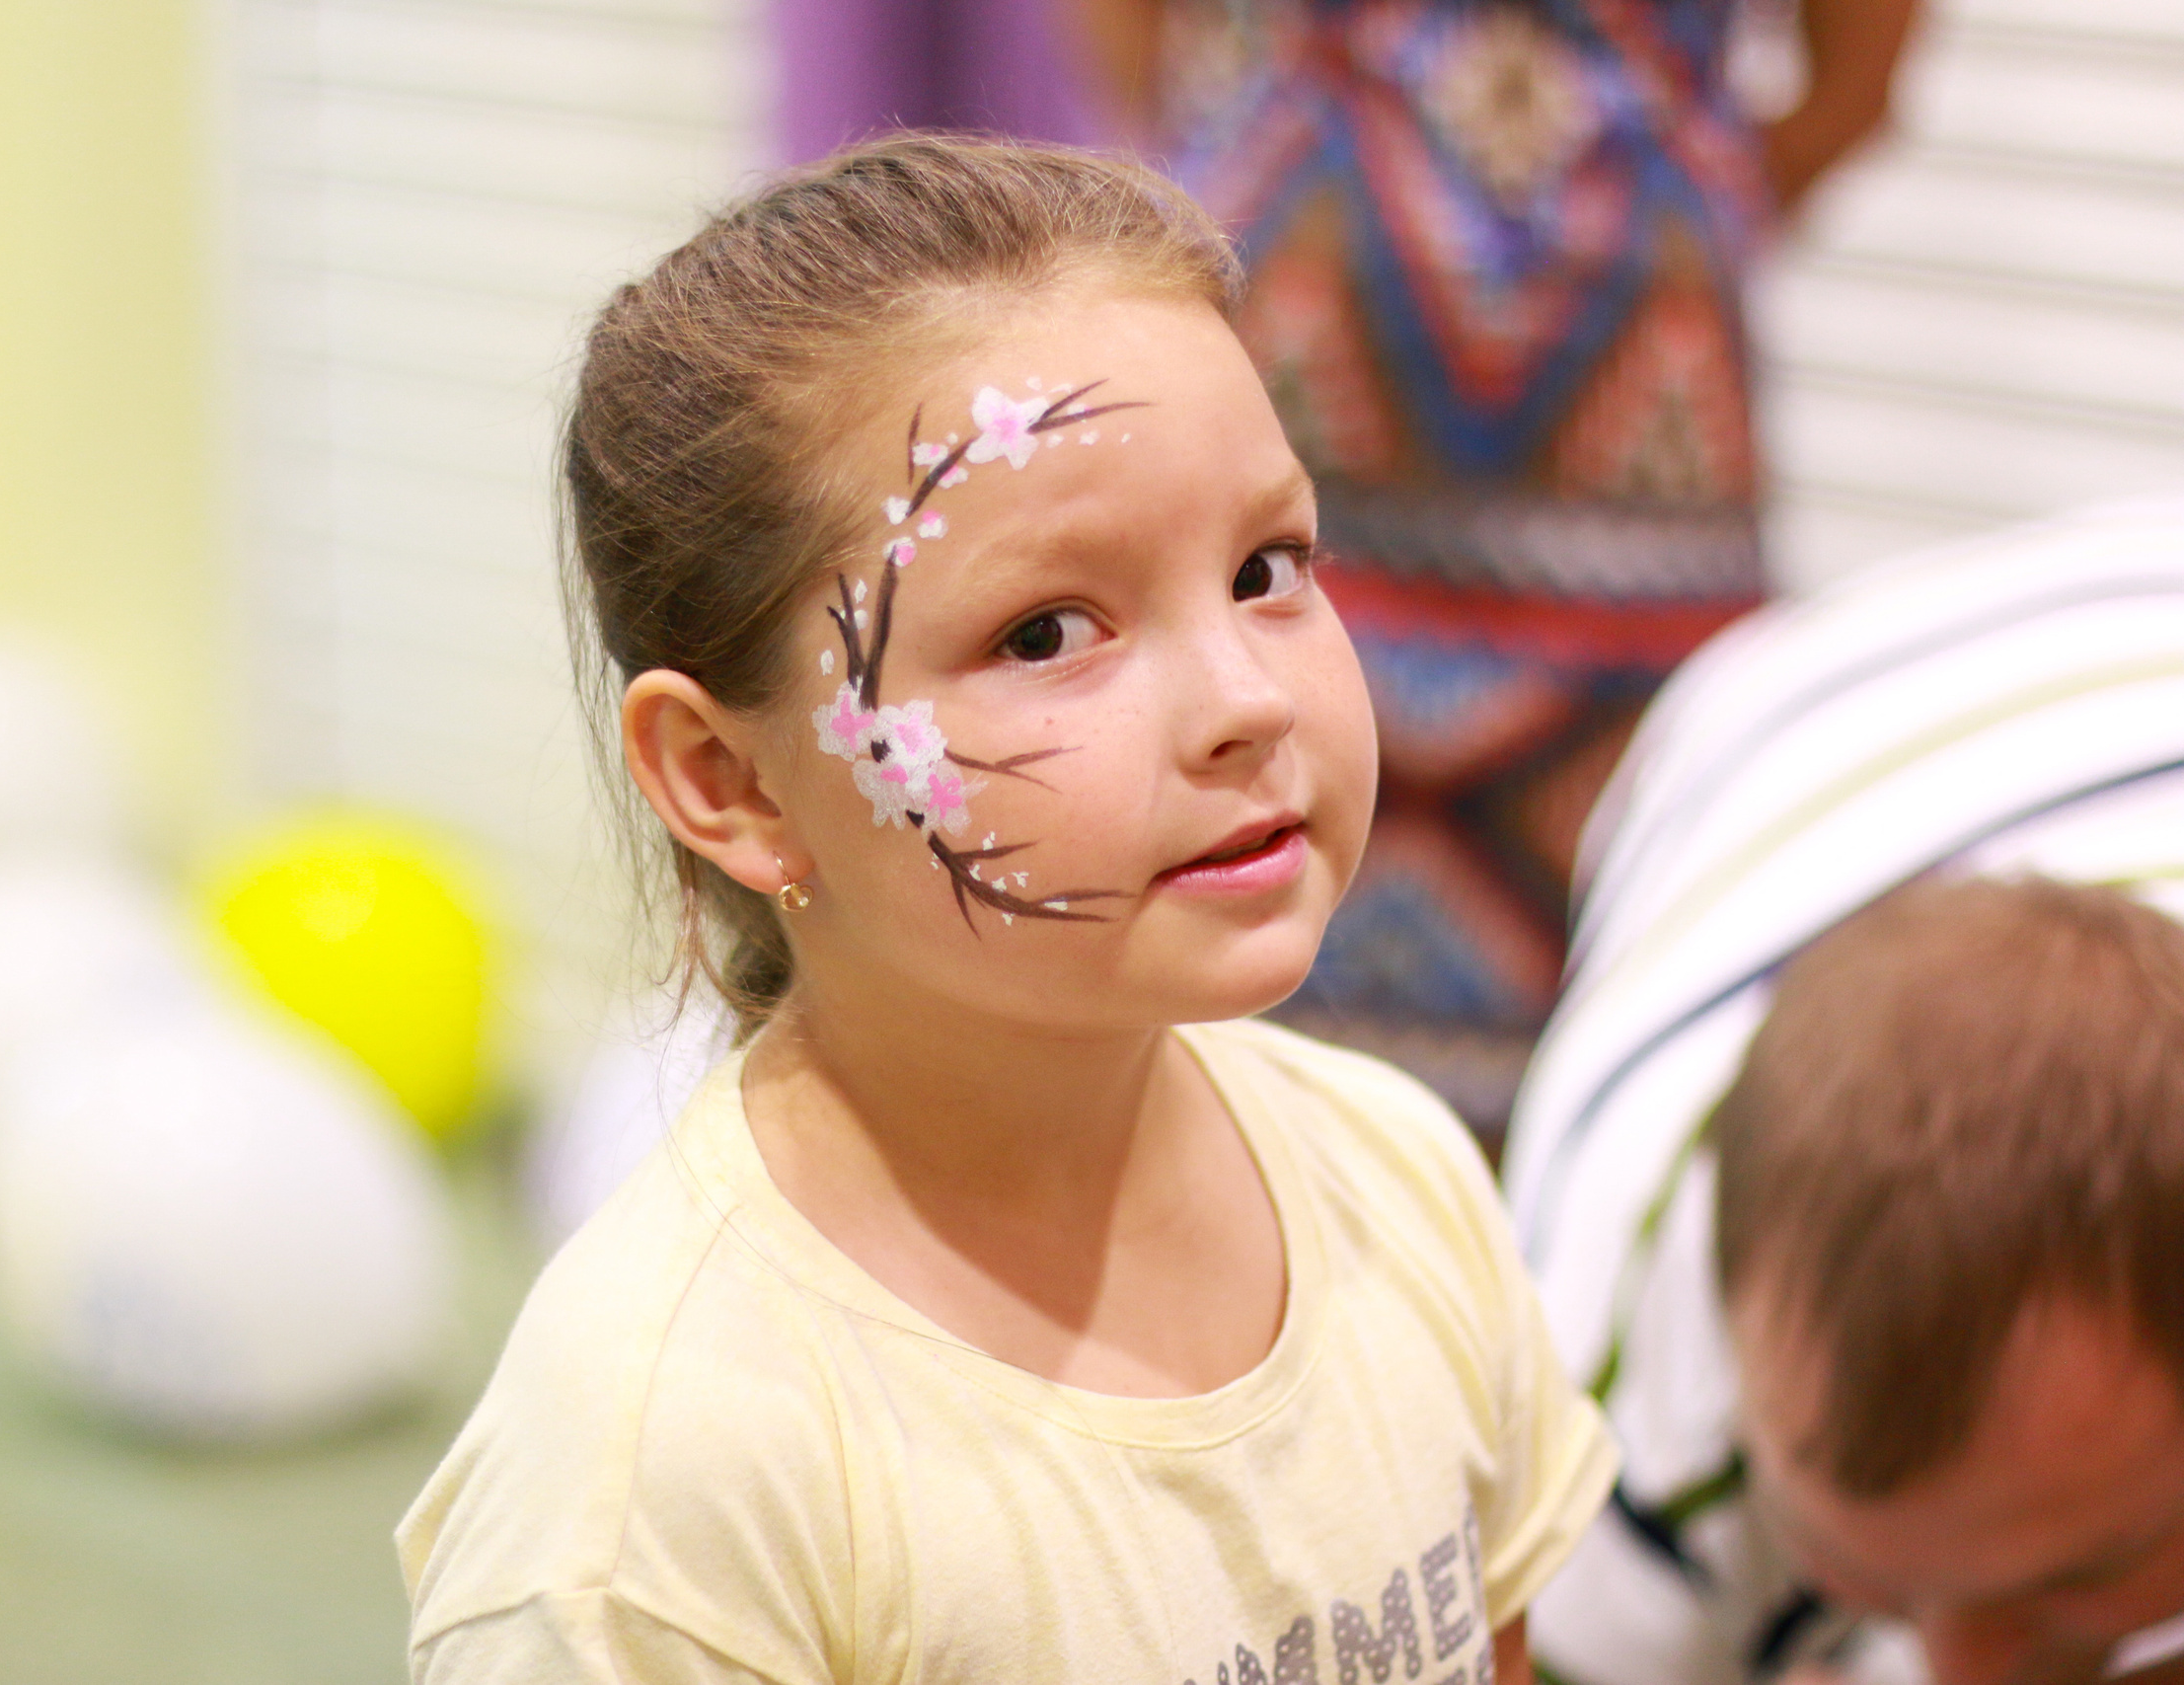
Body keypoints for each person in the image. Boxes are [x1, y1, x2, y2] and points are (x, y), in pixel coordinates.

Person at [396, 137, 1616, 1683]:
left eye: (1268, 565)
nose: (1247, 697)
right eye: (1048, 630)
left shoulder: (1400, 1177)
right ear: (731, 780)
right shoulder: (669, 1486)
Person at [1068, 0, 1919, 1135]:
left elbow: (1854, 86)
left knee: (1634, 883)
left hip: (1628, 436)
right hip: (1303, 368)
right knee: (1241, 781)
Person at [1495, 500, 2184, 1684]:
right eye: (1859, 1568)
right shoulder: (1597, 1400)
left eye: (2074, 1574)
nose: (1966, 1675)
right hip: (1772, 719)